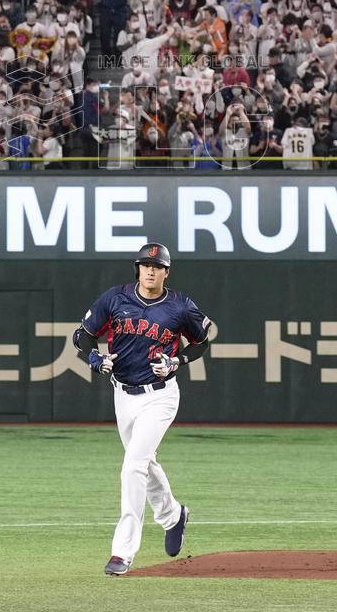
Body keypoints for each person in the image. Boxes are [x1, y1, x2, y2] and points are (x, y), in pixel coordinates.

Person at [72, 242, 212, 575]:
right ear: (138, 268)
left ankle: (123, 551)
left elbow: (202, 341)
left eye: (156, 266)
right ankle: (172, 515)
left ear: (166, 271)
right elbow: (82, 336)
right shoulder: (115, 298)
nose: (149, 271)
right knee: (145, 464)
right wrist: (93, 357)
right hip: (123, 394)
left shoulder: (179, 306)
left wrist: (177, 360)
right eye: (144, 265)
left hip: (160, 396)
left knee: (132, 466)